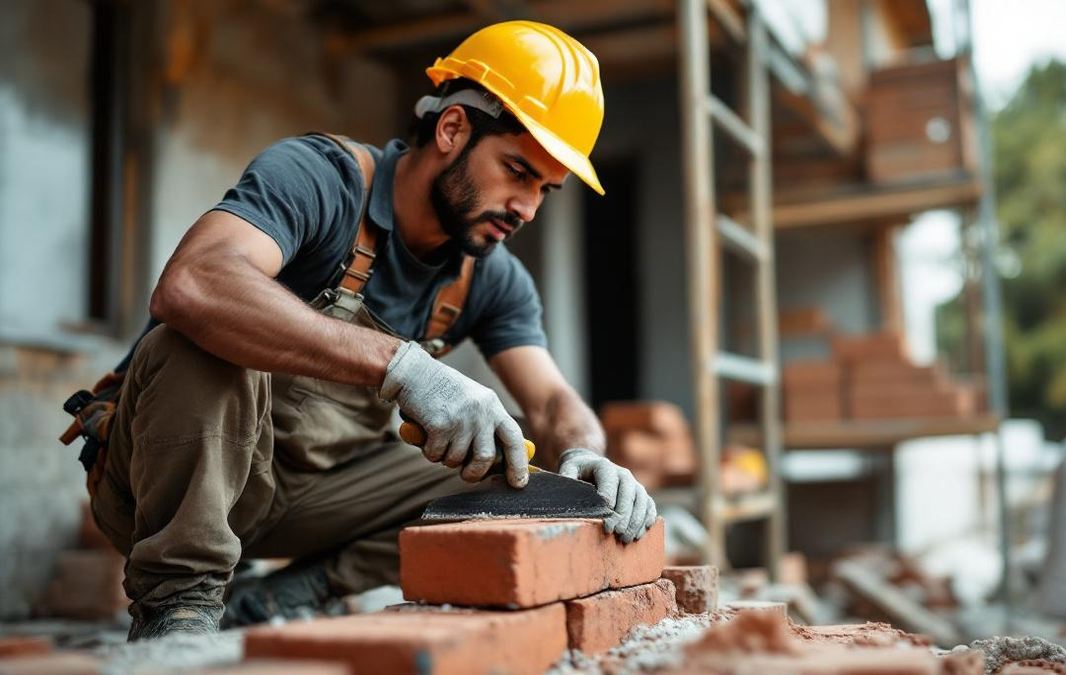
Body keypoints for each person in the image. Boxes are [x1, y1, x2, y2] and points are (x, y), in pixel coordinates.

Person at [81, 20, 657, 640]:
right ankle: (178, 609)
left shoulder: (490, 276)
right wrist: (403, 366)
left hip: (313, 497)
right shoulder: (320, 177)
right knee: (198, 338)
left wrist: (588, 454)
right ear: (453, 128)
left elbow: (550, 401)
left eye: (546, 188)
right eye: (517, 171)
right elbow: (193, 283)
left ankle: (288, 596)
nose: (528, 209)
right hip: (160, 486)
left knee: (515, 482)